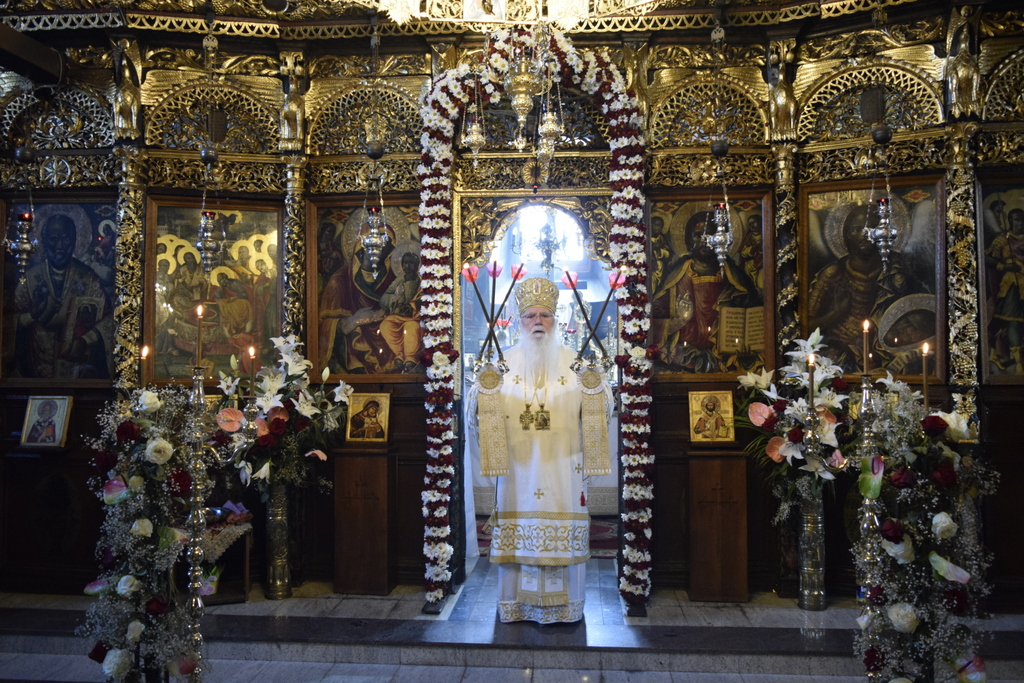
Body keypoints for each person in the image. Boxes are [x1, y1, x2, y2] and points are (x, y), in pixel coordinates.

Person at [472, 277, 612, 624]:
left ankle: (567, 608)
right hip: (517, 474)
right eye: (530, 316)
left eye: (545, 315)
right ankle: (514, 606)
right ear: (519, 321)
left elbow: (602, 414)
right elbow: (477, 419)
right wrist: (482, 391)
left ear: (556, 320)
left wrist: (597, 388)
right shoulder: (500, 365)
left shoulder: (577, 364)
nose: (538, 322)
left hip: (564, 469)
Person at [808, 203, 925, 373]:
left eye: (871, 229)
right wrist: (836, 313)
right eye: (857, 229)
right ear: (846, 235)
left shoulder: (896, 269)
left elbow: (921, 307)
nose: (864, 235)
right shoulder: (834, 273)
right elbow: (808, 324)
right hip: (843, 346)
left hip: (887, 346)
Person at [650, 210, 759, 373]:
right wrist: (679, 320)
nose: (705, 241)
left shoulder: (735, 278)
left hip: (726, 359)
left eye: (711, 235)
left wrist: (747, 344)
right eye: (698, 235)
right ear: (688, 239)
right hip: (681, 359)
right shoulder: (676, 276)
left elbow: (753, 317)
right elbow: (653, 323)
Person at [12, 214, 113, 379]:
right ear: (44, 242)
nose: (60, 246)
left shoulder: (89, 278)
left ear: (74, 241)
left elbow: (110, 319)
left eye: (66, 240)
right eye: (54, 240)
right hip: (35, 367)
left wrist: (86, 339)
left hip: (77, 370)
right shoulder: (29, 279)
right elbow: (7, 321)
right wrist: (32, 315)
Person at [986, 207, 1024, 372]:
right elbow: (987, 258)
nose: (1020, 223)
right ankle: (1018, 363)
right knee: (1013, 321)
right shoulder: (1002, 240)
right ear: (1010, 221)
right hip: (1012, 285)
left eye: (1022, 220)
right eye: (1017, 220)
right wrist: (1004, 266)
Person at [378, 250, 424, 373]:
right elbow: (385, 298)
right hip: (398, 315)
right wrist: (395, 297)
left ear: (417, 265)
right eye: (405, 263)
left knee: (412, 327)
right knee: (385, 325)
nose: (408, 266)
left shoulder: (421, 281)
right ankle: (400, 354)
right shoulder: (399, 281)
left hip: (414, 316)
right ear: (402, 265)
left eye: (412, 263)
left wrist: (414, 305)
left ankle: (410, 358)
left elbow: (423, 297)